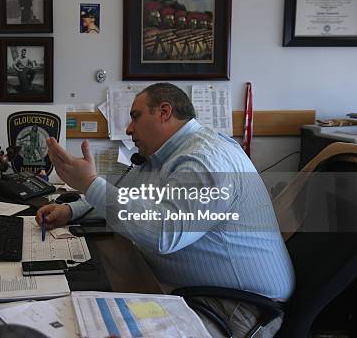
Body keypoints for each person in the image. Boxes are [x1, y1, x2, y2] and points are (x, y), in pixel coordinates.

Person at [36, 83, 294, 337]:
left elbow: (165, 233)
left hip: (238, 309)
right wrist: (70, 211)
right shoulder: (163, 157)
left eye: (135, 117)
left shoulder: (203, 160)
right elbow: (128, 196)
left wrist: (90, 183)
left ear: (164, 112)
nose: (128, 128)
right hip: (198, 292)